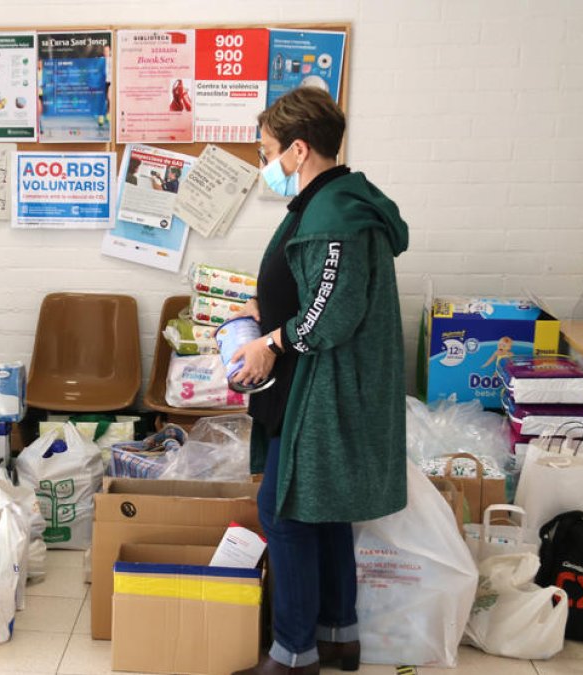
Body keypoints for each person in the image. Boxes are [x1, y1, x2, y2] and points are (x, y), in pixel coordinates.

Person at [229, 87, 409, 675]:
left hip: (324, 386)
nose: (265, 165)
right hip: (320, 379)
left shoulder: (333, 217)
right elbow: (317, 295)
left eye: (267, 151)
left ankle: (293, 654)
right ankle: (338, 636)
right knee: (323, 508)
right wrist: (263, 318)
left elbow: (329, 315)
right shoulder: (335, 202)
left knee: (283, 510)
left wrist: (272, 342)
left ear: (299, 149)